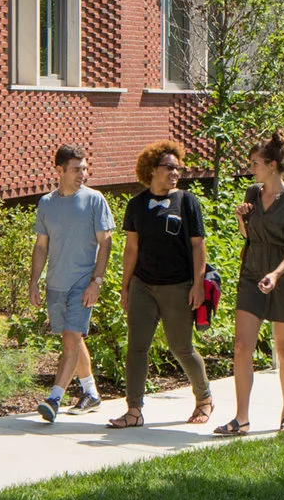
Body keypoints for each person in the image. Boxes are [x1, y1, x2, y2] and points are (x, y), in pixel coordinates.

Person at [108, 141, 212, 429]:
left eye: (178, 168)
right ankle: (134, 410)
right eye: (169, 168)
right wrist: (125, 287)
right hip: (143, 285)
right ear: (152, 170)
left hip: (178, 286)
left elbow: (198, 246)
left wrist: (198, 285)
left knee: (181, 348)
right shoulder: (136, 205)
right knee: (136, 348)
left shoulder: (187, 202)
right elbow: (131, 249)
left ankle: (204, 398)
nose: (175, 173)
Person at [216, 131, 284, 437]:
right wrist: (242, 219)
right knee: (242, 346)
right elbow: (248, 236)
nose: (251, 168)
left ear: (272, 165)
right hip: (252, 273)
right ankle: (241, 419)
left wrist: (276, 274)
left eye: (255, 163)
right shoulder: (252, 193)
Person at [29, 146, 114, 422]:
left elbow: (106, 242)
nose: (83, 174)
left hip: (82, 282)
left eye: (85, 168)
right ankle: (91, 392)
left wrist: (96, 282)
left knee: (70, 340)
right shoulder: (47, 204)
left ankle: (54, 399)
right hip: (56, 284)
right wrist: (34, 282)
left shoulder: (94, 200)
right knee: (72, 338)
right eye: (77, 169)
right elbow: (41, 246)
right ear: (60, 171)